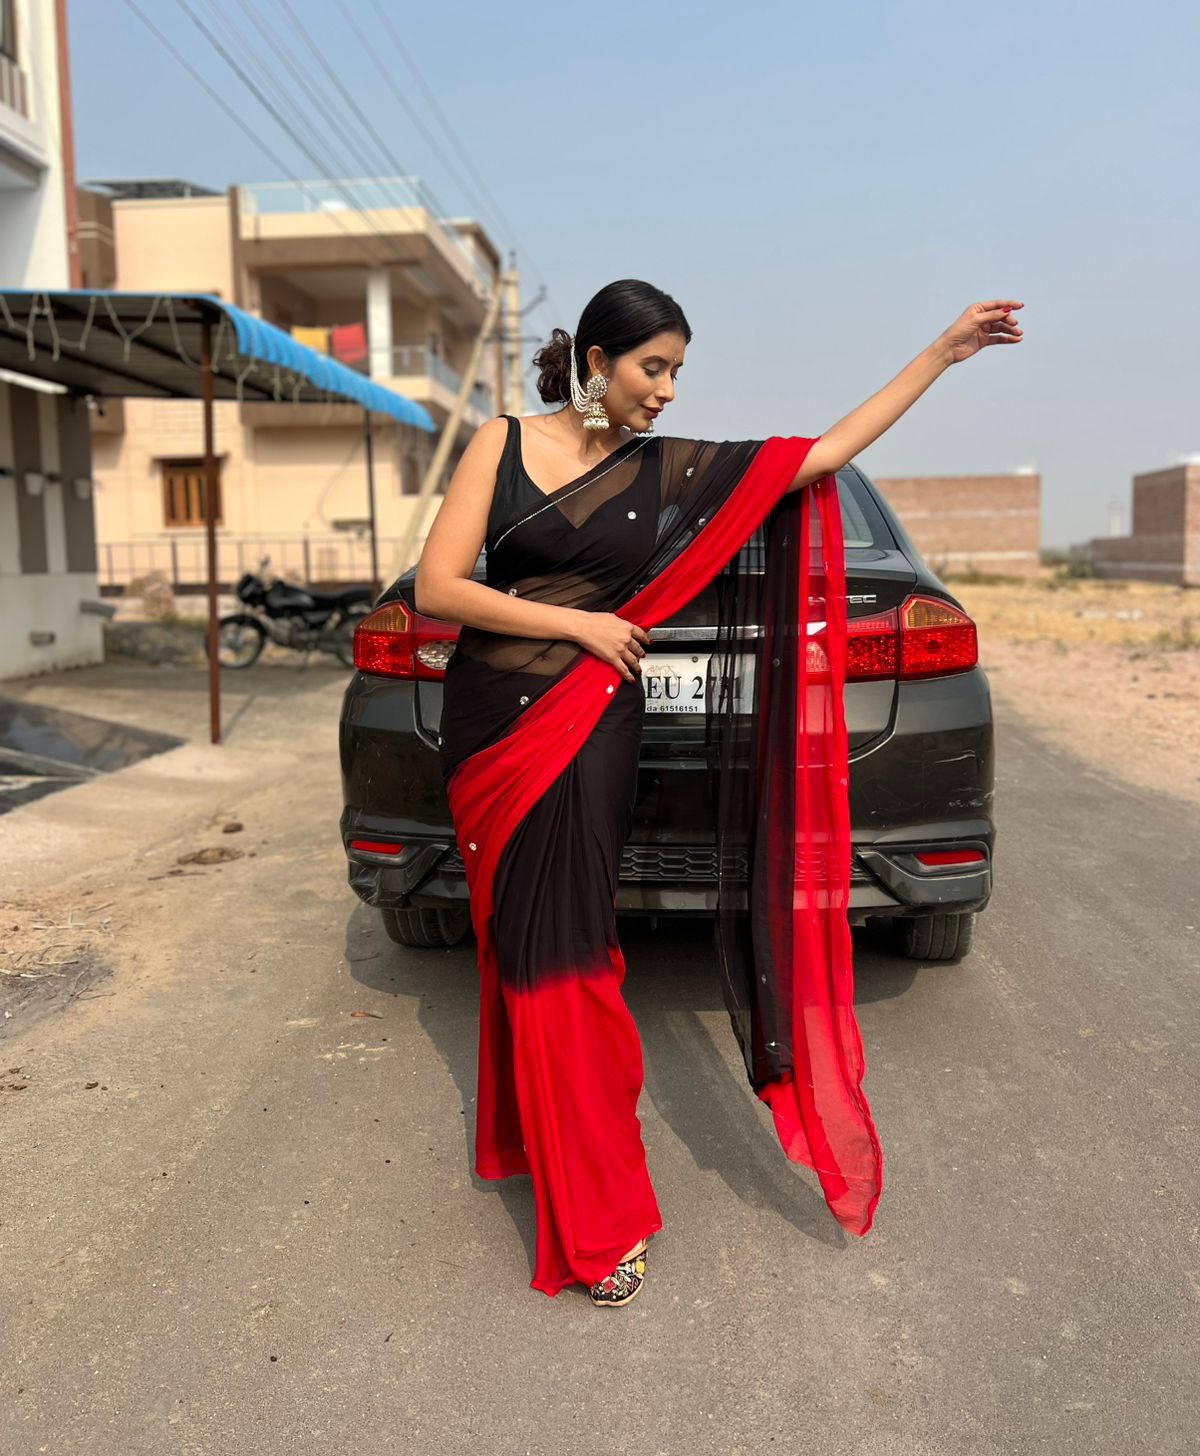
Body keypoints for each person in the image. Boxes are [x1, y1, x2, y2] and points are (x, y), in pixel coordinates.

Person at [414, 278, 1023, 1306]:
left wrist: (943, 351)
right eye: (653, 369)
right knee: (519, 952)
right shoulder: (499, 442)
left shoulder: (670, 472)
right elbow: (438, 586)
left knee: (574, 959)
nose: (666, 393)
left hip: (589, 728)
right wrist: (581, 626)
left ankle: (598, 1219)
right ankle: (549, 1149)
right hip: (493, 734)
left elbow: (819, 456)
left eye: (677, 374)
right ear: (596, 362)